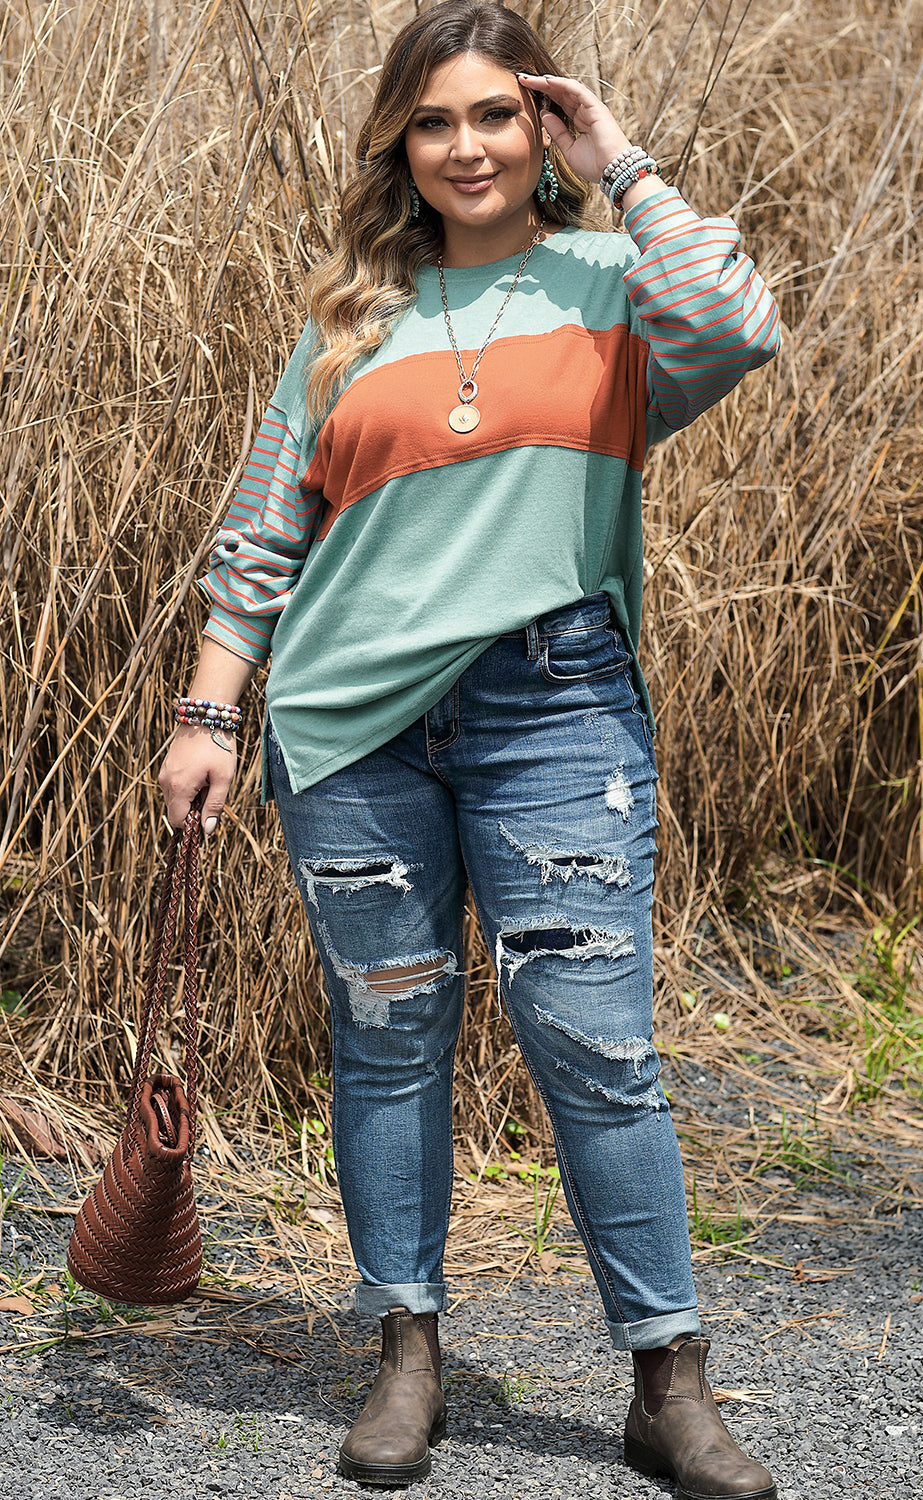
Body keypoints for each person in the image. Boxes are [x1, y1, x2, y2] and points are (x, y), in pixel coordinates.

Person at [159, 2, 781, 1493]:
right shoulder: (343, 322)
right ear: (400, 143)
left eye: (495, 115)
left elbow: (740, 321)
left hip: (553, 709)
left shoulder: (610, 289)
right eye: (433, 122)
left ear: (537, 124)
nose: (465, 147)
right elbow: (261, 541)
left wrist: (617, 158)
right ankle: (404, 1356)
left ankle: (667, 1382)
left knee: (596, 1046)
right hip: (351, 728)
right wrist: (206, 713)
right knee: (386, 1045)